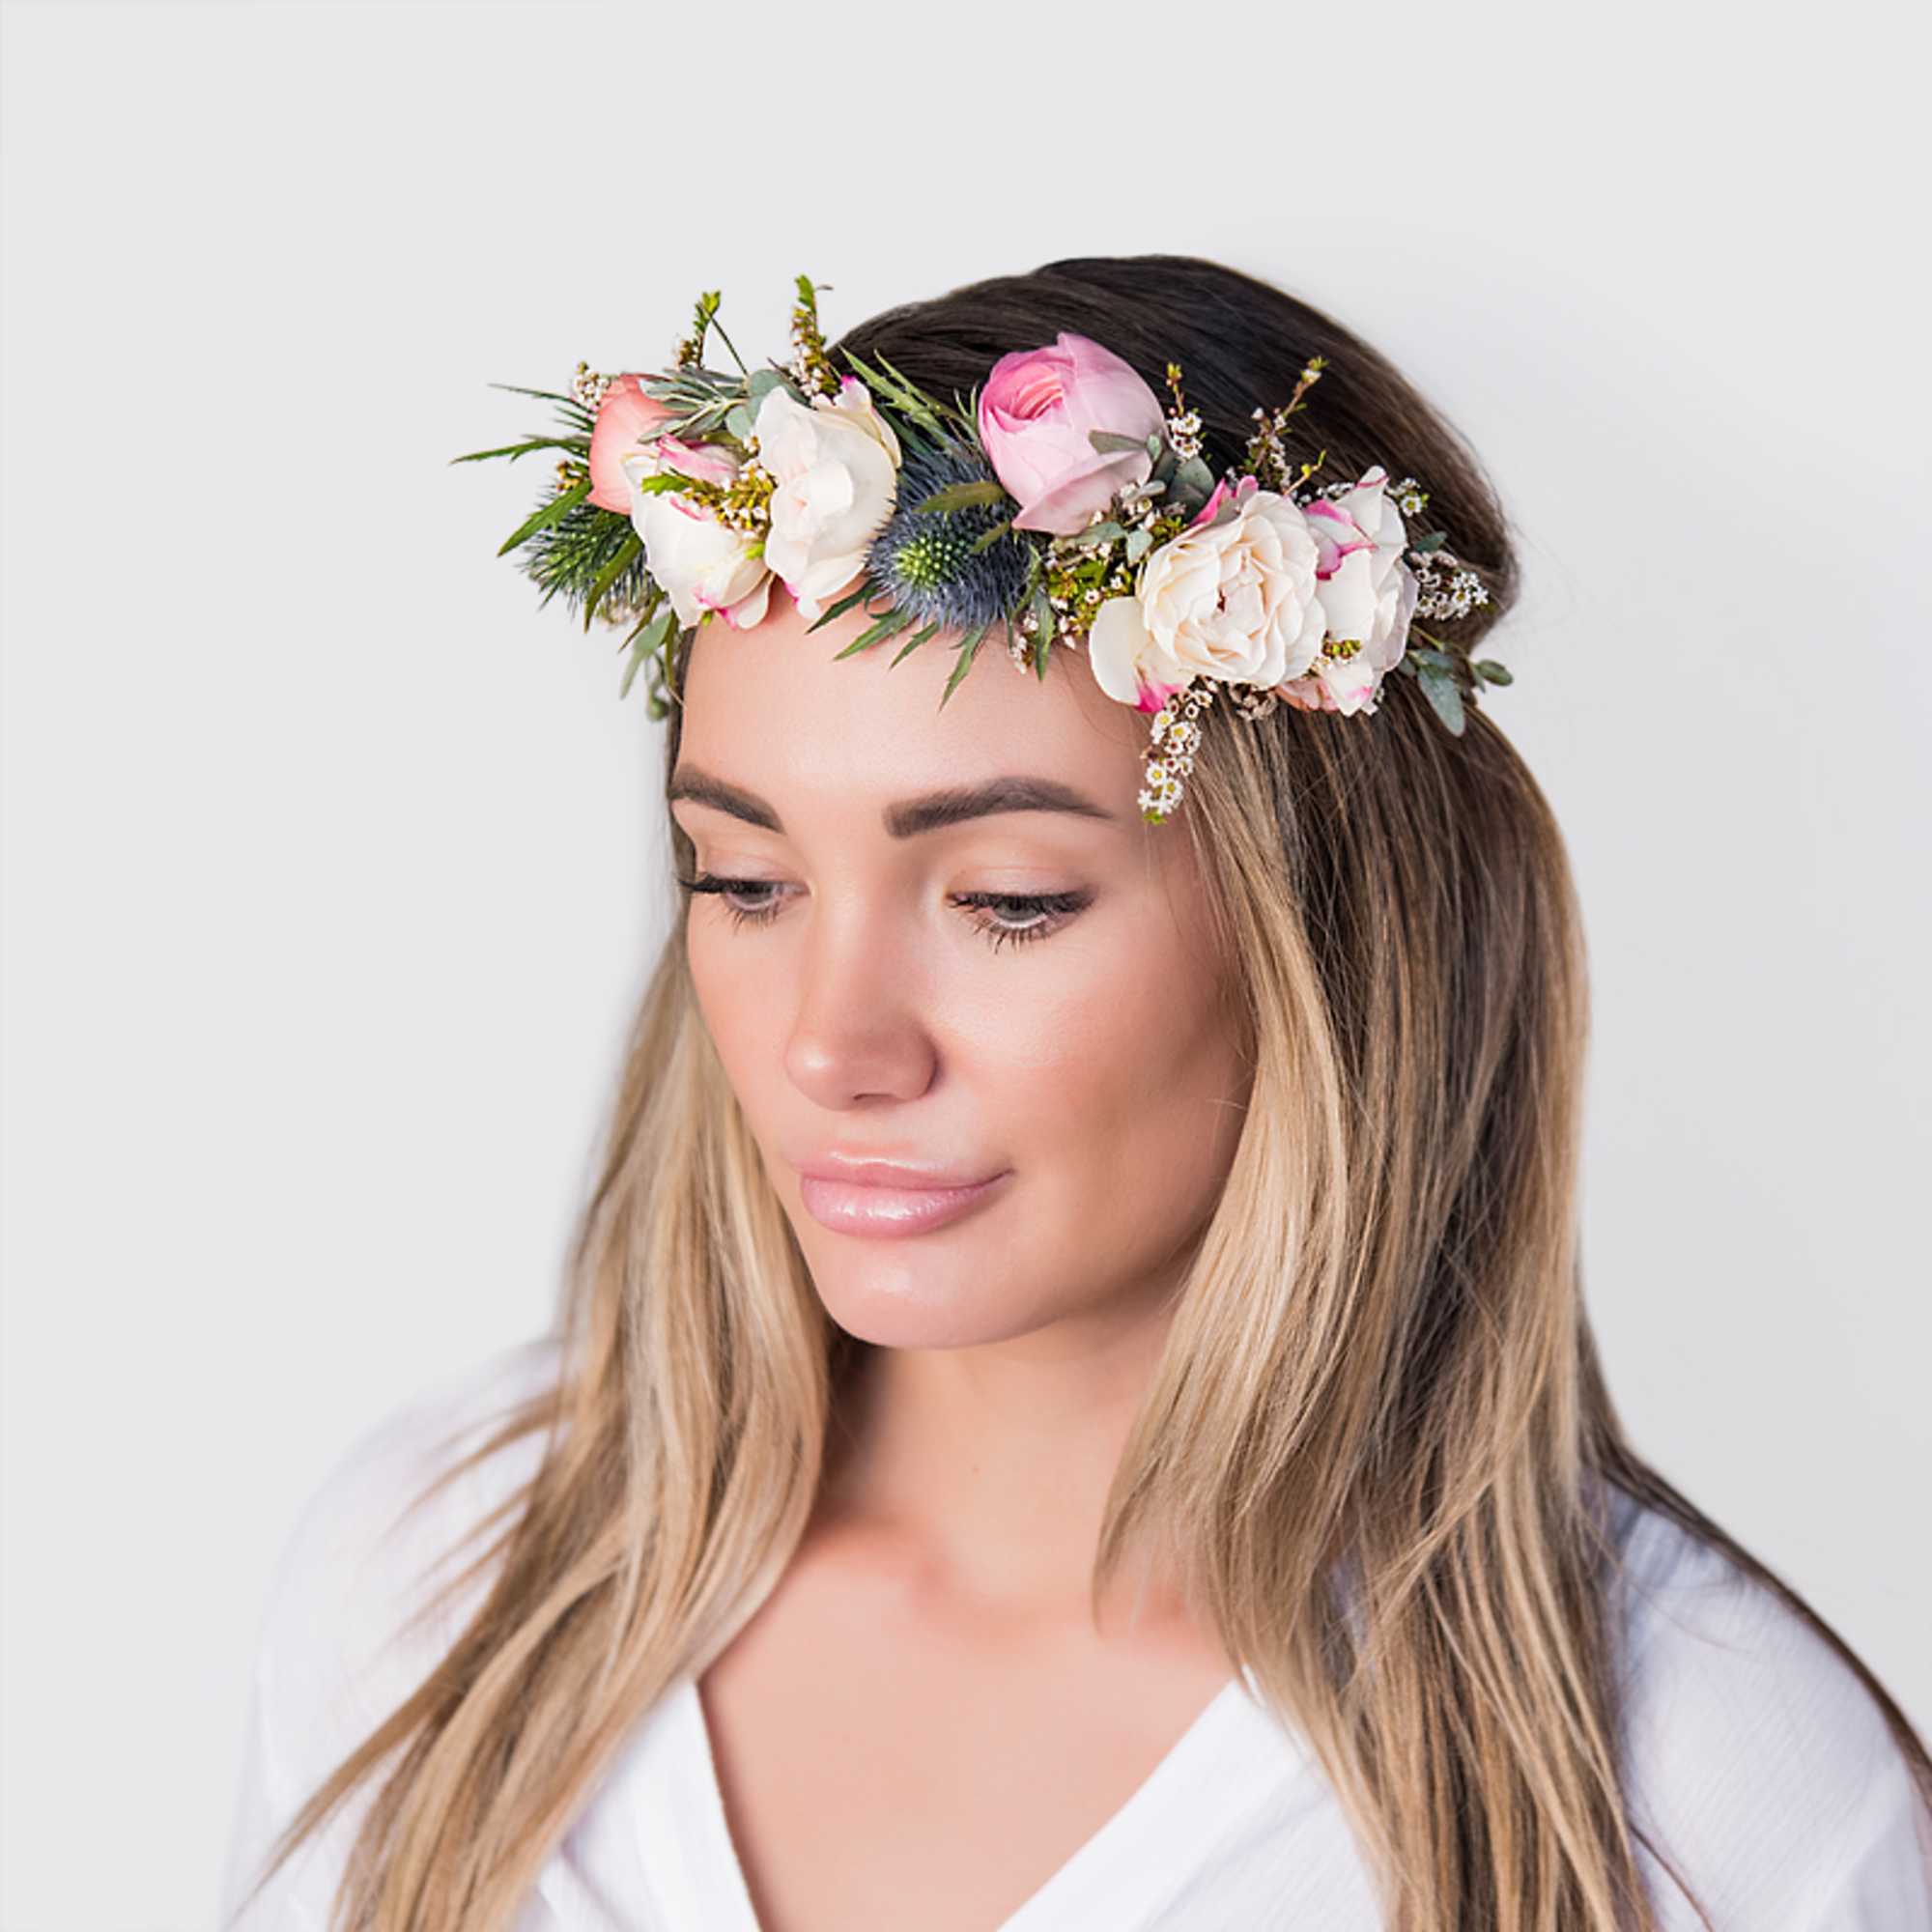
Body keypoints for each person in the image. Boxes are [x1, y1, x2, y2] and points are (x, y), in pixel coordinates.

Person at [218, 255, 1932, 1931]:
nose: (830, 1049)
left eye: (1008, 901)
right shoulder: (436, 1578)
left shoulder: (1710, 1809)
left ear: (1328, 935)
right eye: (745, 882)